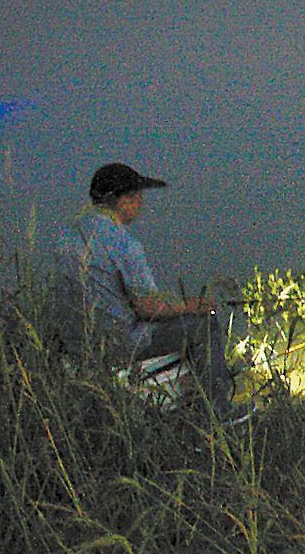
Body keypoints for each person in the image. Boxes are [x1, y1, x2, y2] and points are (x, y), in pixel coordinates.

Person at [54, 162, 245, 422]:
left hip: (78, 345)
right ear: (123, 200)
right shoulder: (123, 241)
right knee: (205, 328)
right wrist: (193, 306)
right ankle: (219, 414)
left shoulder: (67, 237)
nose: (140, 202)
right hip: (120, 342)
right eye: (136, 196)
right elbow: (148, 307)